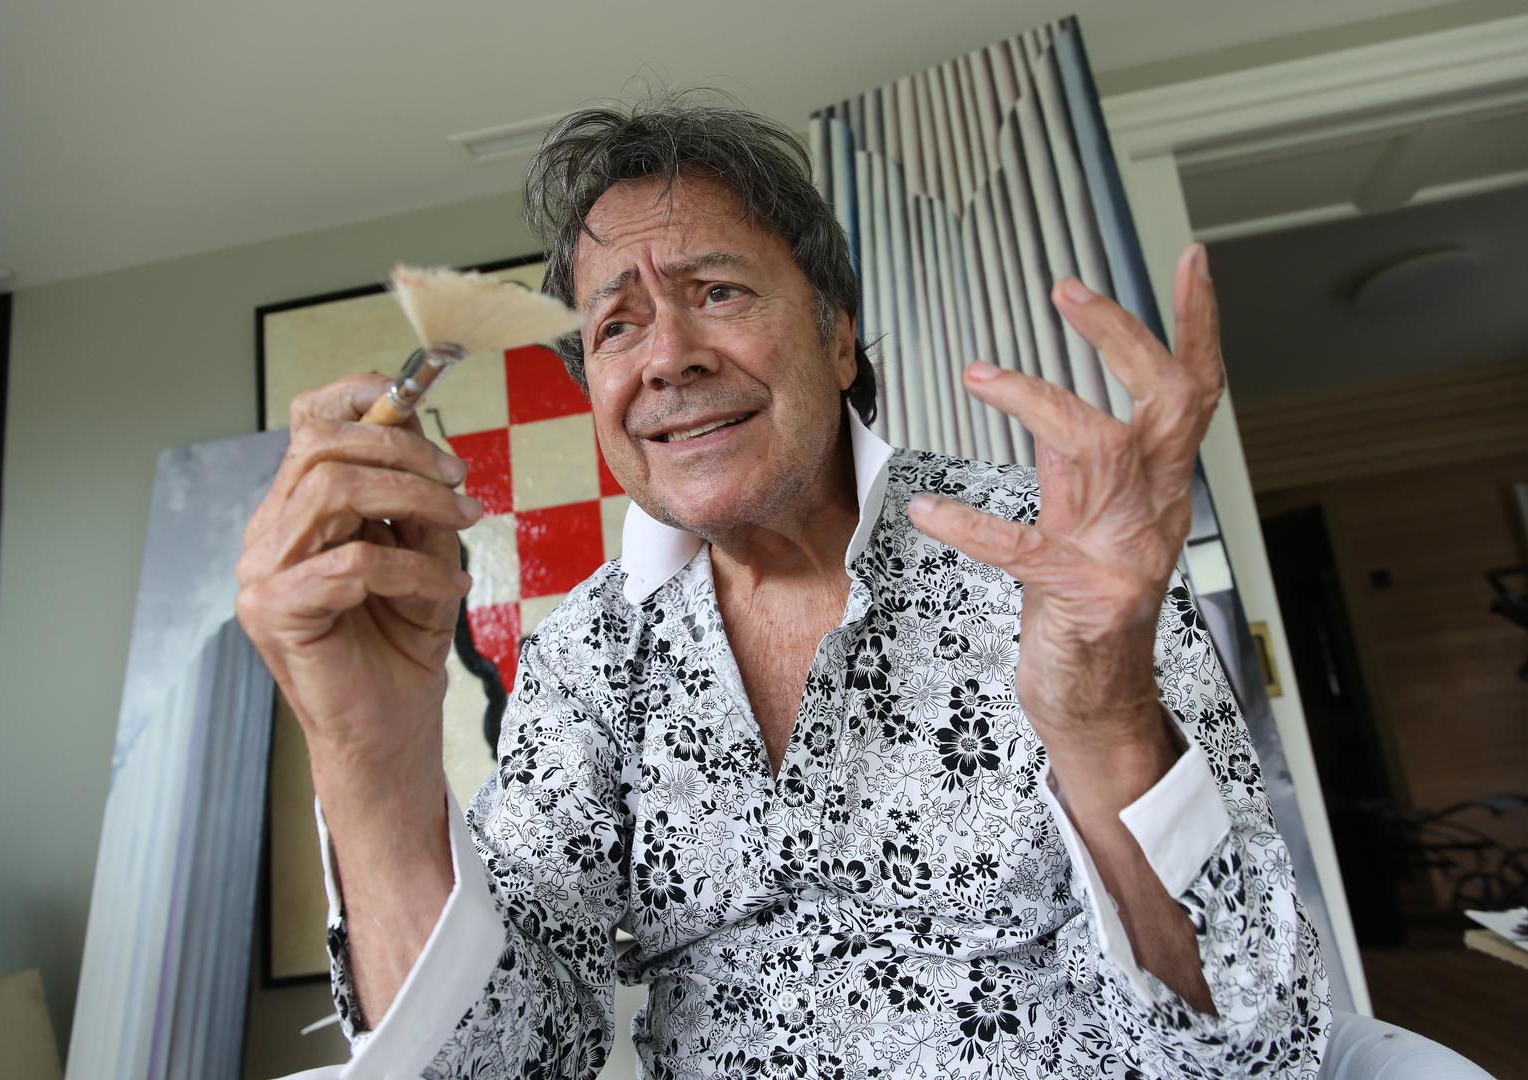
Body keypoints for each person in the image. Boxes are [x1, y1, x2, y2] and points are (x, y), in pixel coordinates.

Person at [236, 98, 1330, 1078]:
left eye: (715, 291)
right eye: (616, 325)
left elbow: (1255, 1052)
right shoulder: (586, 655)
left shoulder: (1061, 559)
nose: (666, 356)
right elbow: (504, 1066)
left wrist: (1104, 723)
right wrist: (369, 757)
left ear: (837, 337)